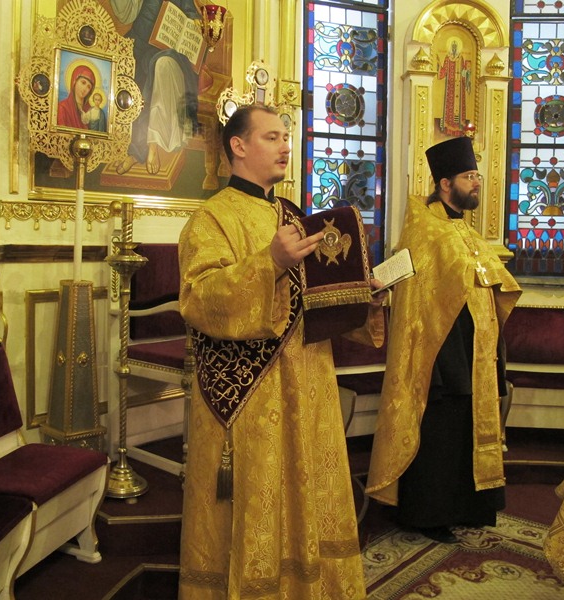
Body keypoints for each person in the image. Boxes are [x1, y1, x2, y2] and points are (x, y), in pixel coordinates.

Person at [177, 104, 386, 598]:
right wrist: (268, 261)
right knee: (259, 495)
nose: (285, 146)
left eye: (286, 137)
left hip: (309, 383)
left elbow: (317, 300)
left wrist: (363, 295)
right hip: (251, 394)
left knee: (305, 490)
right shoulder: (210, 219)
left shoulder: (296, 216)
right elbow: (200, 300)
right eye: (271, 137)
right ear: (238, 146)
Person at [365, 137, 521, 544]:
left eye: (477, 175)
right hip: (440, 349)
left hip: (475, 346)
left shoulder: (464, 230)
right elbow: (410, 278)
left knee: (466, 427)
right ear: (446, 183)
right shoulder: (424, 228)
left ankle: (470, 506)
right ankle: (427, 514)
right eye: (469, 176)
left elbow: (485, 276)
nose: (477, 183)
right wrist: (379, 284)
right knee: (441, 431)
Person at [110, 0, 201, 175]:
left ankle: (151, 146)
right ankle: (134, 151)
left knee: (155, 72)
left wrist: (194, 20)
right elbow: (126, 13)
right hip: (139, 40)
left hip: (165, 45)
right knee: (122, 76)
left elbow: (190, 9)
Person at [57, 64, 95, 129]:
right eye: (83, 83)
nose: (85, 89)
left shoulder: (90, 111)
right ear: (74, 81)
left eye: (88, 87)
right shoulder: (63, 108)